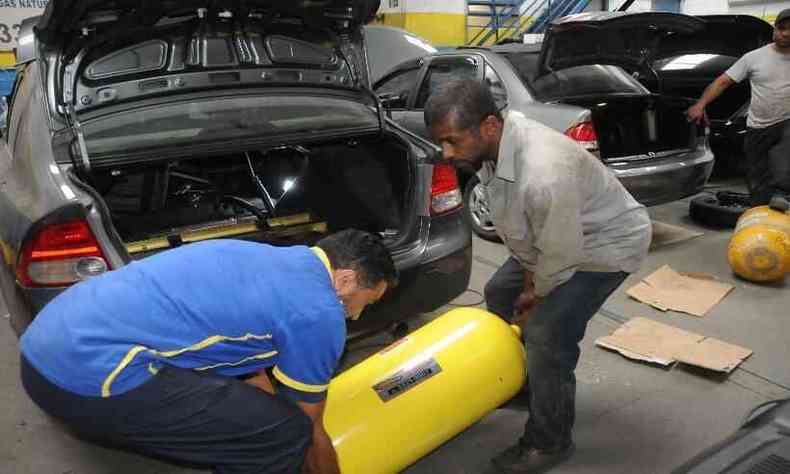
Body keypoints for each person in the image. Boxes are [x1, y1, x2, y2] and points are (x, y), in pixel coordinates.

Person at [19, 230, 397, 474]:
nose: (358, 313)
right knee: (284, 434)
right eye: (366, 301)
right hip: (84, 380)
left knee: (259, 415)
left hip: (44, 345)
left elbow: (250, 365)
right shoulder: (319, 311)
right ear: (345, 279)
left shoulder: (272, 257)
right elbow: (309, 426)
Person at [424, 80, 651, 473]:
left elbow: (561, 256)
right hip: (552, 238)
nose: (446, 153)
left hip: (603, 246)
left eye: (452, 141)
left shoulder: (543, 172)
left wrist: (536, 300)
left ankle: (550, 440)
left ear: (490, 126)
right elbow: (528, 235)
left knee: (546, 335)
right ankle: (526, 384)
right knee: (499, 292)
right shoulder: (494, 148)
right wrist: (527, 283)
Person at [687, 9, 790, 205]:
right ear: (775, 29)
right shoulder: (753, 58)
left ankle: (782, 193)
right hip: (757, 126)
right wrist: (700, 104)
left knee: (783, 160)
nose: (785, 33)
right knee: (756, 177)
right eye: (781, 28)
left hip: (786, 121)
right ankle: (760, 209)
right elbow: (722, 82)